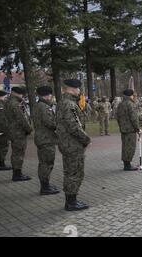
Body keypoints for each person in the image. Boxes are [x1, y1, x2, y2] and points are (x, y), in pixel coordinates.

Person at [56, 79, 91, 211]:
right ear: (73, 89)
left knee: (70, 171)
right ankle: (71, 202)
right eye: (78, 89)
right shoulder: (69, 104)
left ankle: (71, 200)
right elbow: (74, 126)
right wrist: (86, 140)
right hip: (72, 144)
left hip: (67, 143)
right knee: (74, 172)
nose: (79, 91)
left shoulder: (62, 102)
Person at [33, 86, 60, 195]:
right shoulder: (44, 107)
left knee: (44, 163)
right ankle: (45, 187)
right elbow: (50, 123)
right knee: (47, 163)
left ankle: (46, 185)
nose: (51, 97)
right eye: (50, 95)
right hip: (46, 139)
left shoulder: (38, 105)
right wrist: (59, 123)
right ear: (47, 95)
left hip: (42, 138)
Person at [5, 87, 32, 181]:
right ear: (16, 93)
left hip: (12, 130)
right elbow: (21, 119)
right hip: (18, 132)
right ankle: (17, 174)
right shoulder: (15, 104)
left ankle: (17, 173)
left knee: (16, 152)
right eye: (21, 94)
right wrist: (28, 129)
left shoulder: (8, 101)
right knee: (19, 153)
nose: (22, 96)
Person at [116, 89, 141, 171]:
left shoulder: (121, 104)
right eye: (133, 95)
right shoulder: (130, 104)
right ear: (130, 95)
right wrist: (138, 129)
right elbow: (134, 118)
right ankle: (127, 165)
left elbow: (117, 117)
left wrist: (121, 126)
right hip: (130, 129)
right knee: (130, 147)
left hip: (123, 129)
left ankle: (126, 164)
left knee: (125, 147)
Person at [0, 90, 11, 171]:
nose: (5, 97)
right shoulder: (0, 105)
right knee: (2, 147)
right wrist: (6, 129)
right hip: (0, 130)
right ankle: (0, 164)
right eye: (4, 96)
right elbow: (2, 120)